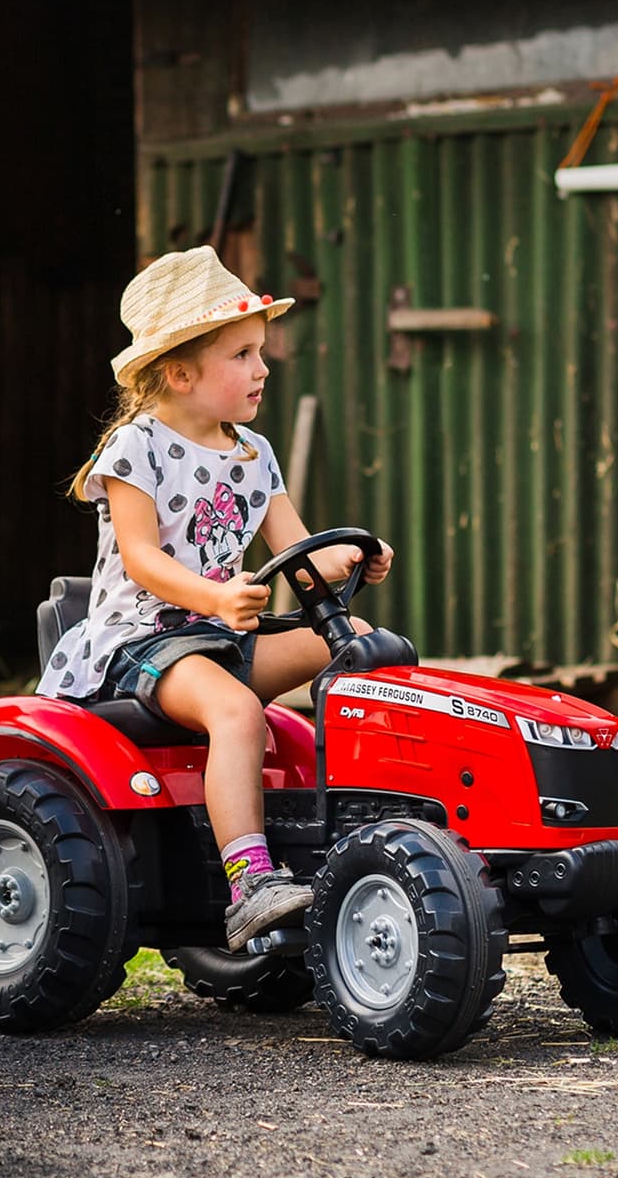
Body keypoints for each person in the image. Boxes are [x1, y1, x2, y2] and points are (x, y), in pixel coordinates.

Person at [40, 246, 393, 950]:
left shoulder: (253, 454)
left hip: (220, 637)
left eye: (259, 351)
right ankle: (251, 884)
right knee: (237, 710)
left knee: (358, 643)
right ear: (179, 372)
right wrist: (213, 594)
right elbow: (140, 558)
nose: (262, 368)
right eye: (241, 354)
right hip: (141, 641)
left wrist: (354, 556)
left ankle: (362, 829)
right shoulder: (133, 448)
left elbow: (301, 553)